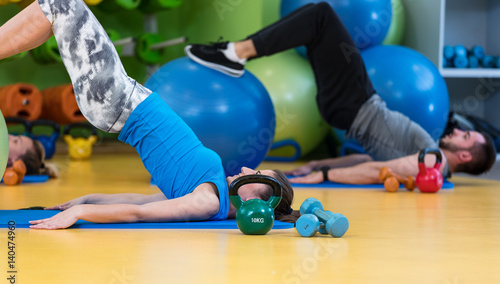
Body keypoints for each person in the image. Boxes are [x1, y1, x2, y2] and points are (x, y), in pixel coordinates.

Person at [0, 0, 297, 229]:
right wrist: (85, 200)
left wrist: (80, 214)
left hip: (117, 101)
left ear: (260, 205)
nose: (247, 170)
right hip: (125, 97)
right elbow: (140, 199)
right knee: (58, 14)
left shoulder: (206, 202)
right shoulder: (213, 190)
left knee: (63, 5)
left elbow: (138, 213)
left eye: (257, 177)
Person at [185, 2, 497, 184]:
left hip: (357, 103)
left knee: (320, 16)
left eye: (466, 138)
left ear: (465, 155)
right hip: (352, 106)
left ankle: (235, 52)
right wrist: (321, 166)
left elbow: (379, 171)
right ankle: (235, 52)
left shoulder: (433, 161)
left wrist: (323, 178)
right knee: (317, 28)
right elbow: (373, 157)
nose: (458, 131)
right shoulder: (427, 163)